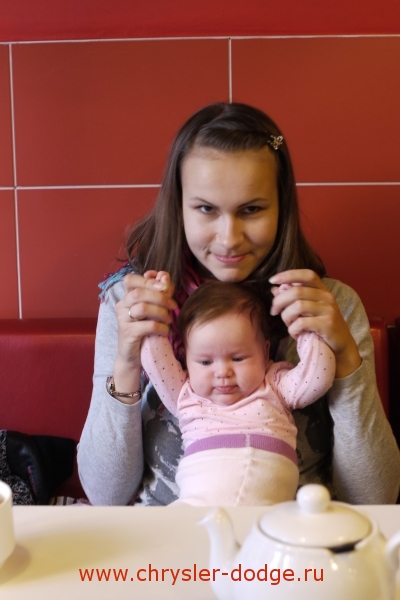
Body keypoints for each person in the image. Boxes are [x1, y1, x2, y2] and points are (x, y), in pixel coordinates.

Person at [77, 102, 400, 506]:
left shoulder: (329, 307)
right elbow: (104, 495)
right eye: (206, 209)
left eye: (251, 209)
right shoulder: (133, 304)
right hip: (168, 534)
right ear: (179, 207)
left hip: (294, 534)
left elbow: (376, 497)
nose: (229, 238)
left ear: (281, 207)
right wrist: (126, 362)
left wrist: (347, 360)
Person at [140, 277, 335, 506]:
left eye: (238, 358)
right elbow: (155, 358)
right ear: (186, 358)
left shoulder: (274, 385)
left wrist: (304, 325)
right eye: (205, 362)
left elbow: (318, 376)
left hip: (268, 509)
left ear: (265, 352)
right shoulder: (186, 395)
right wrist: (154, 309)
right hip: (197, 507)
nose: (223, 372)